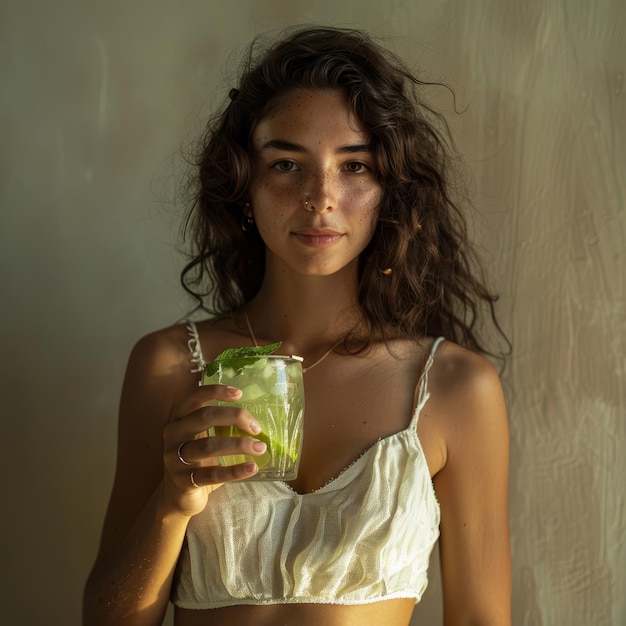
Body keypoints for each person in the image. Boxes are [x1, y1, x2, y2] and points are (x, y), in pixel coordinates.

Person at [83, 26, 511, 626]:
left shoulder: (454, 389)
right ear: (243, 185)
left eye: (354, 165)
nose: (320, 197)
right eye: (287, 163)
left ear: (392, 190)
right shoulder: (170, 367)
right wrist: (172, 504)